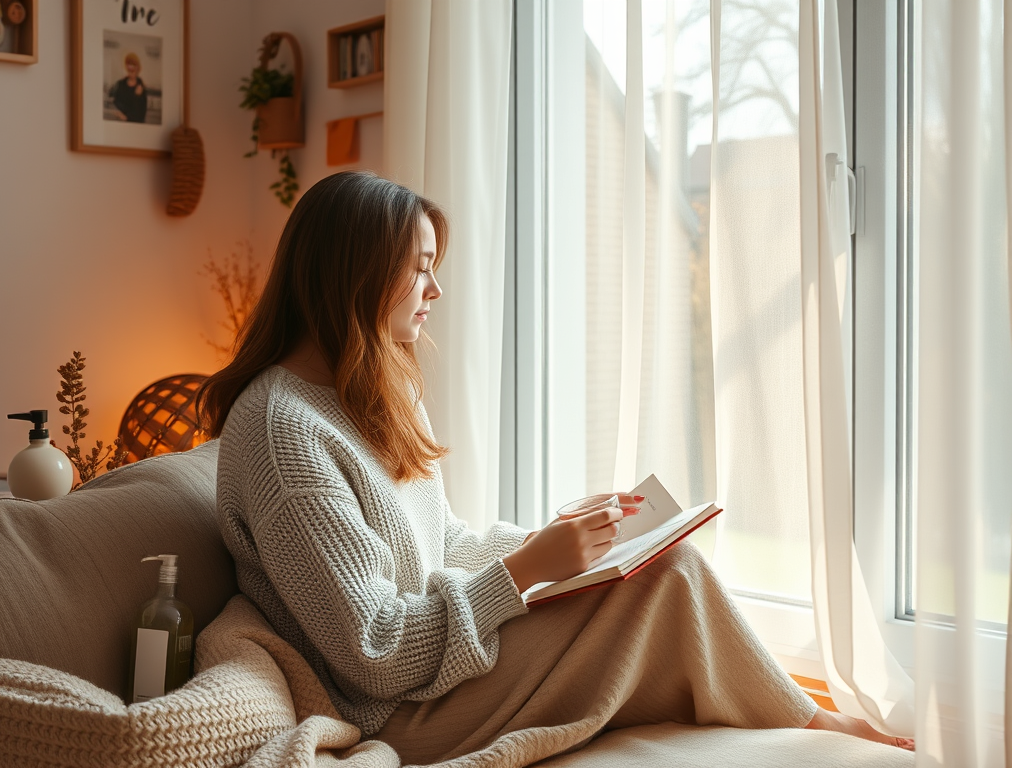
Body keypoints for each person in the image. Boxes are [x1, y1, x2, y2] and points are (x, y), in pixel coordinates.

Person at [198, 171, 913, 764]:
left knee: (662, 565)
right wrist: (527, 571)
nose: (435, 292)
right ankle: (811, 725)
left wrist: (559, 541)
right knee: (669, 579)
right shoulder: (281, 433)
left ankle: (800, 721)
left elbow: (444, 546)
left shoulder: (374, 395)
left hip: (441, 668)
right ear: (353, 274)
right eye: (420, 270)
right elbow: (378, 652)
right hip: (398, 711)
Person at [109, 52, 148, 123]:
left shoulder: (141, 89)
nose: (131, 69)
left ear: (138, 69)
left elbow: (141, 115)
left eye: (134, 66)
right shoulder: (120, 84)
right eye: (129, 65)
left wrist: (126, 118)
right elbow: (115, 103)